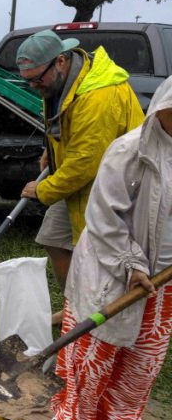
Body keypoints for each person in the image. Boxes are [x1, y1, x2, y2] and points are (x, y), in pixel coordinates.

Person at [46, 77, 172, 420]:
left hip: (164, 279)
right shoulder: (130, 151)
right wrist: (131, 263)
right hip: (114, 269)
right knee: (96, 352)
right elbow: (103, 219)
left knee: (144, 359)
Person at [16, 29, 144, 296]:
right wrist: (52, 150)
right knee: (53, 238)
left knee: (99, 257)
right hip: (80, 182)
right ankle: (73, 308)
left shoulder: (98, 97)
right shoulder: (63, 81)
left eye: (37, 79)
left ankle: (94, 313)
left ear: (60, 61)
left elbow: (86, 162)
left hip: (112, 186)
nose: (33, 86)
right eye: (27, 81)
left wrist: (42, 190)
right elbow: (65, 125)